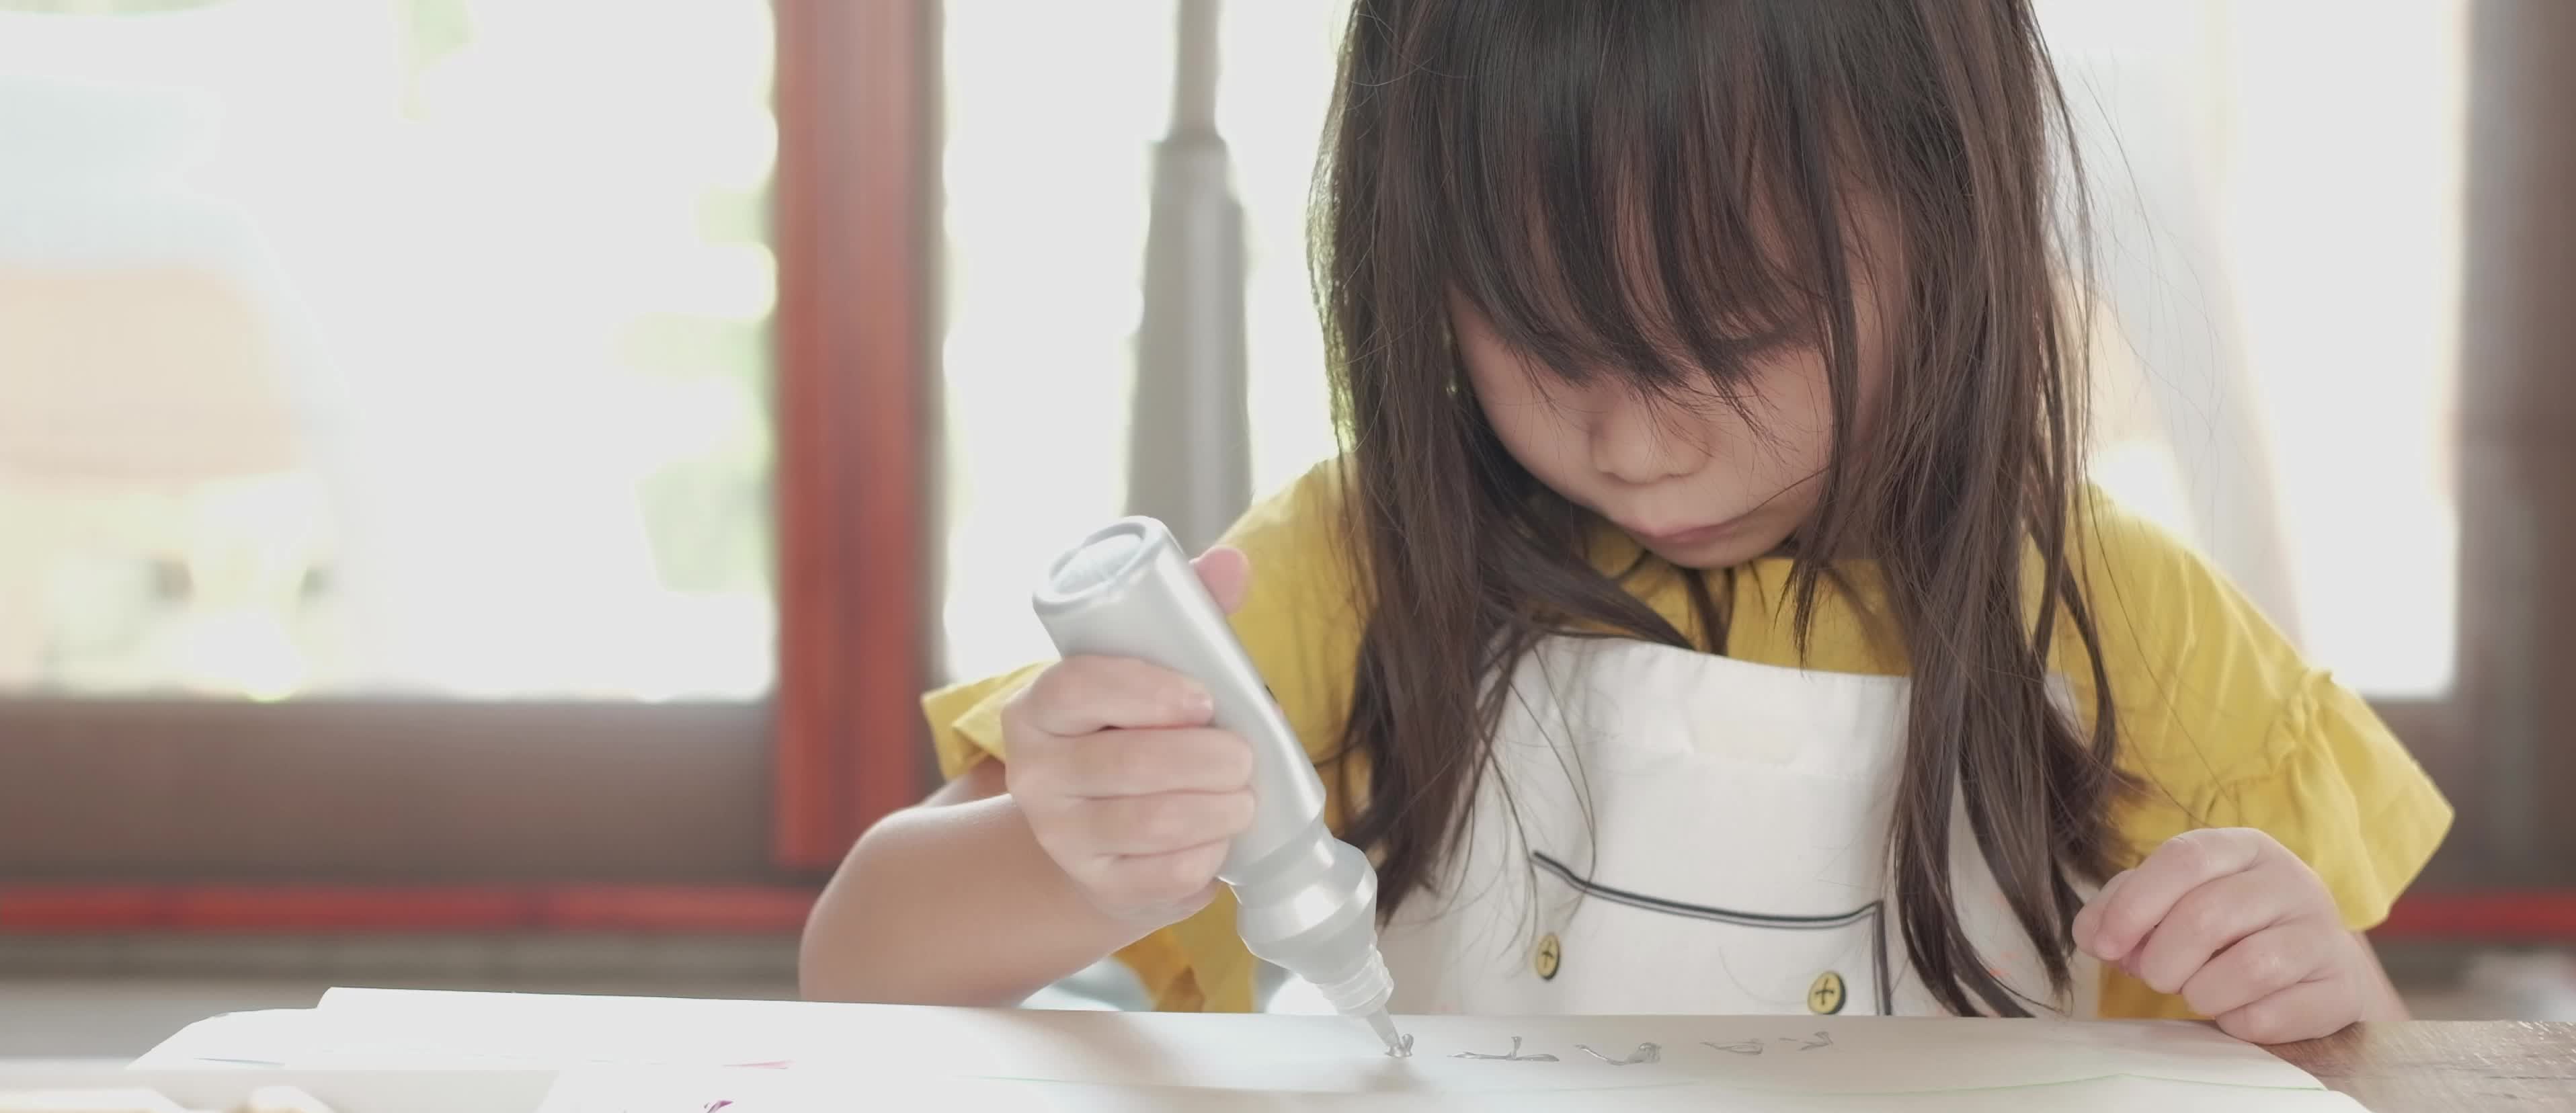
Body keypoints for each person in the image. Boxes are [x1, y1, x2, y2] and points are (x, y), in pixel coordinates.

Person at [803, 0, 2448, 1044]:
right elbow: (860, 965)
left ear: (1951, 236)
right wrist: (1081, 858)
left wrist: (2307, 981)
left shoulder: (2113, 616)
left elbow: (2353, 1086)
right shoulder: (1358, 569)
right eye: (1547, 339)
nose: (1637, 444)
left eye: (1730, 342)